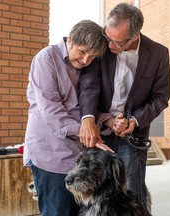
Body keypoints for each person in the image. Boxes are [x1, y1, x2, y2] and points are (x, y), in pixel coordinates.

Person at [23, 20, 109, 216]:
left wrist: (108, 120)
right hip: (50, 154)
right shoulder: (46, 59)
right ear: (69, 40)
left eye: (92, 56)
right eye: (82, 51)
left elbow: (84, 109)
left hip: (78, 157)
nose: (86, 60)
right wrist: (86, 131)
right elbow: (52, 111)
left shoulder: (87, 67)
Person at [97, 2, 170, 208]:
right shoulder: (101, 44)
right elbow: (87, 89)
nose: (109, 45)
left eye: (116, 43)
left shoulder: (158, 54)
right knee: (97, 197)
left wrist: (134, 121)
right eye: (107, 37)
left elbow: (161, 96)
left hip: (131, 137)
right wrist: (106, 119)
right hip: (98, 131)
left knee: (132, 197)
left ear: (134, 37)